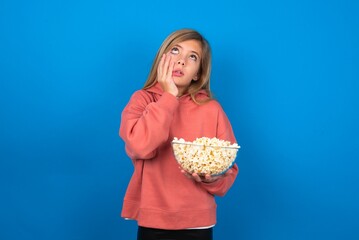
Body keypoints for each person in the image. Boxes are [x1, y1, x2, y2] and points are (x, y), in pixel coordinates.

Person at [119, 29, 239, 240]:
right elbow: (139, 146)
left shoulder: (212, 109)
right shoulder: (142, 100)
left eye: (192, 57)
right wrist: (168, 97)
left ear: (197, 74)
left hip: (198, 223)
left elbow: (228, 170)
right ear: (162, 59)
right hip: (153, 221)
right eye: (175, 51)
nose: (182, 61)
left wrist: (213, 178)